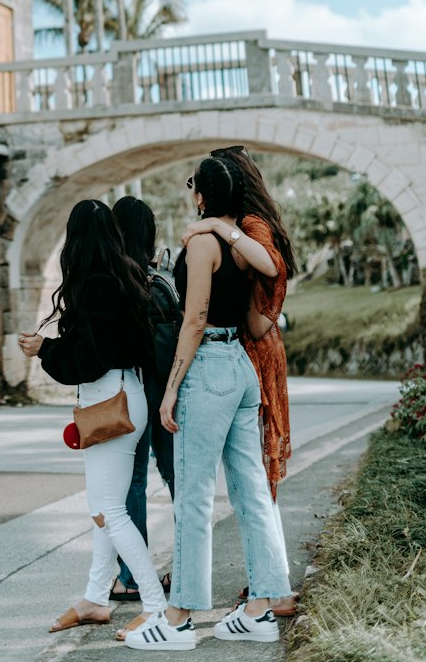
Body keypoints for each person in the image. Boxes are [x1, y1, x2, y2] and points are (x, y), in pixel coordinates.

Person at [123, 152, 291, 651]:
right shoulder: (240, 239)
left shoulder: (203, 243)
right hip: (242, 366)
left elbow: (194, 319)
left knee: (193, 497)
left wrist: (172, 386)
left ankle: (177, 620)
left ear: (200, 194)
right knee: (251, 491)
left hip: (211, 366)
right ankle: (263, 607)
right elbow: (261, 298)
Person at [17, 198, 167, 634]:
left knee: (107, 510)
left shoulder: (97, 285)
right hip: (126, 394)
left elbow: (91, 358)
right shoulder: (124, 279)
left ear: (76, 239)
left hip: (109, 398)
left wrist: (44, 348)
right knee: (108, 507)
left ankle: (156, 607)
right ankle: (95, 598)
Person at [183, 145, 298, 617]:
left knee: (256, 478)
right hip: (246, 349)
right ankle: (268, 586)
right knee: (253, 477)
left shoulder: (249, 226)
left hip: (250, 350)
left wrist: (215, 226)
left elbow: (272, 267)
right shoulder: (246, 222)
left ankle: (274, 588)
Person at [110, 195, 177, 640]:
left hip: (130, 396)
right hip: (167, 392)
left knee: (129, 483)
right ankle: (188, 570)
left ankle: (132, 577)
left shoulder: (116, 282)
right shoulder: (162, 280)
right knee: (178, 478)